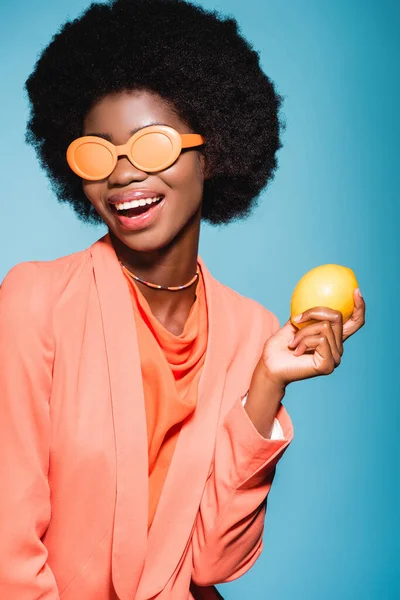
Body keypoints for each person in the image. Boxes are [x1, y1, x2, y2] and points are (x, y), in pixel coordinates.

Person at [0, 0, 365, 598]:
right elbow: (8, 550)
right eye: (97, 153)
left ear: (212, 151)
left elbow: (213, 563)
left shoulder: (252, 329)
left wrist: (268, 384)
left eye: (152, 147)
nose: (122, 175)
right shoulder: (34, 301)